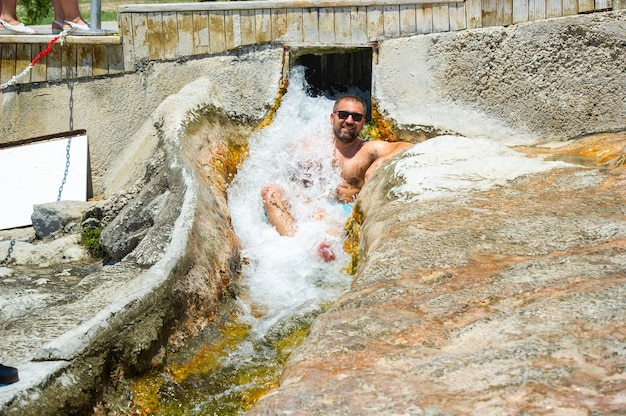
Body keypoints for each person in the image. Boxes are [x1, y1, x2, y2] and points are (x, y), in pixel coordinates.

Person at [261, 94, 414, 260]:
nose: (349, 121)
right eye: (343, 115)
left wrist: (381, 161)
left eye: (356, 117)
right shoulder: (308, 147)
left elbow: (408, 146)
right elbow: (277, 171)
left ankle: (319, 252)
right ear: (332, 117)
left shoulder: (368, 150)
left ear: (363, 123)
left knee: (332, 225)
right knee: (271, 192)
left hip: (341, 216)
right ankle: (295, 249)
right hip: (308, 208)